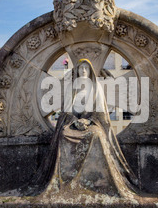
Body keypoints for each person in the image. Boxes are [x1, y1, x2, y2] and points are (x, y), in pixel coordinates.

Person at [29, 58, 139, 200]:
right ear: (77, 71)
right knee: (64, 134)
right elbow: (67, 111)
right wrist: (76, 121)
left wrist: (88, 121)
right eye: (81, 68)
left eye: (86, 68)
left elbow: (100, 113)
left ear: (91, 71)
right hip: (74, 124)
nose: (84, 71)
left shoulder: (96, 87)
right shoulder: (72, 88)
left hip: (92, 123)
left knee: (97, 135)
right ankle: (67, 179)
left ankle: (96, 179)